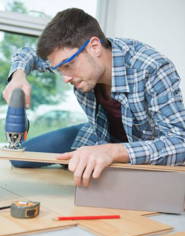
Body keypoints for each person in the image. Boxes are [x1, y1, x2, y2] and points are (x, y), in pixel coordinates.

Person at [3, 8, 185, 187]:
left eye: (68, 66)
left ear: (94, 47)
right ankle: (79, 160)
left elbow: (180, 142)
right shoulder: (72, 54)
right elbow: (27, 53)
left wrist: (114, 151)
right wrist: (17, 77)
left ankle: (85, 161)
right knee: (19, 159)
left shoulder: (151, 68)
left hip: (137, 148)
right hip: (99, 135)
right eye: (59, 70)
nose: (65, 78)